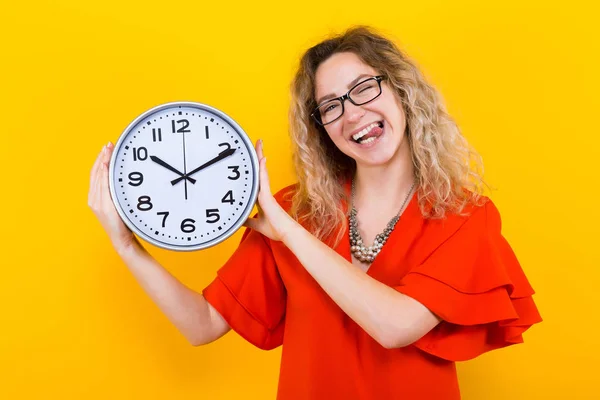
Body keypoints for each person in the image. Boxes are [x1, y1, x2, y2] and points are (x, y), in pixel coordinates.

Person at [88, 26, 541, 399]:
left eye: (364, 88)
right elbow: (202, 324)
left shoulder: (464, 215)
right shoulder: (294, 211)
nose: (353, 114)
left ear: (402, 91)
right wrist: (126, 244)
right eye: (331, 106)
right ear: (321, 130)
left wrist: (285, 231)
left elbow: (396, 326)